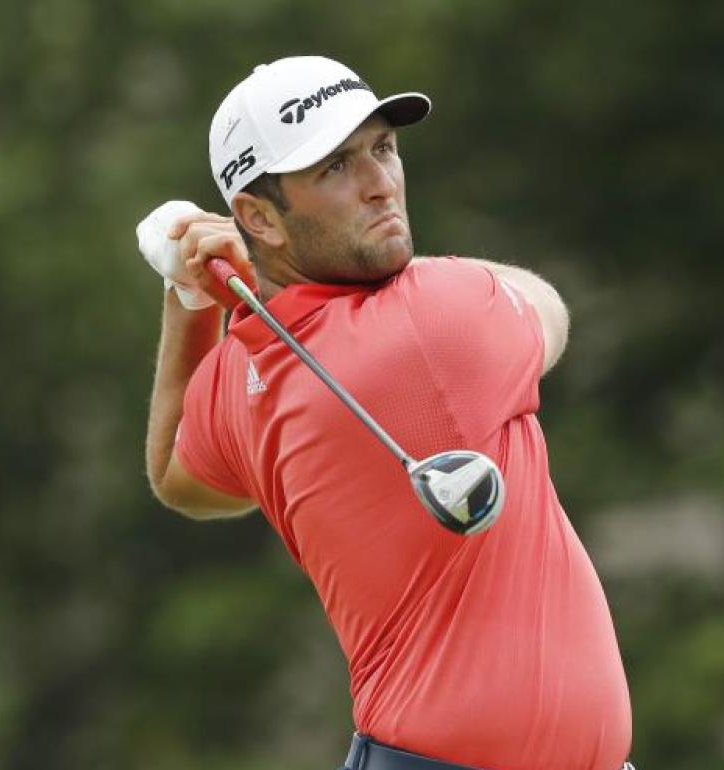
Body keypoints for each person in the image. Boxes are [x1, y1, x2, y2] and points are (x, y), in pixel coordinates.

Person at [142, 55, 633, 770]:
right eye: (335, 168)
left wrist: (187, 298)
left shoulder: (238, 373)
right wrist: (467, 277)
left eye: (383, 148)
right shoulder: (438, 313)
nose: (380, 186)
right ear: (257, 218)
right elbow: (550, 308)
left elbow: (174, 475)